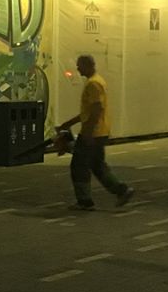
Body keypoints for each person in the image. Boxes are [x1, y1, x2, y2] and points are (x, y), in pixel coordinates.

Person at [55, 54, 133, 210]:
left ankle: (84, 201)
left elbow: (97, 109)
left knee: (78, 166)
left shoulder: (93, 84)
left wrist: (88, 132)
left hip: (92, 133)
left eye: (80, 65)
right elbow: (88, 111)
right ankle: (121, 190)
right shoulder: (98, 81)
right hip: (100, 131)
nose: (78, 69)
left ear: (88, 65)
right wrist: (68, 123)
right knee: (97, 165)